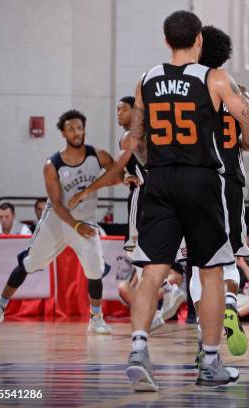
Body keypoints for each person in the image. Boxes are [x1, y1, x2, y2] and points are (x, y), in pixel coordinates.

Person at [114, 10, 249, 390]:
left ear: (165, 40)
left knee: (152, 273)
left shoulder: (146, 79)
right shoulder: (215, 77)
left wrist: (145, 162)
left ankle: (139, 350)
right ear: (199, 40)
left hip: (158, 181)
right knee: (210, 273)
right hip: (201, 181)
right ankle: (209, 362)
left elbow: (135, 139)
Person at [0, 110, 115, 335]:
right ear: (63, 132)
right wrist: (74, 225)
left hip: (86, 220)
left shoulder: (98, 156)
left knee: (94, 271)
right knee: (29, 263)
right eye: (72, 128)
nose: (77, 132)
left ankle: (96, 317)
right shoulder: (52, 164)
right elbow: (56, 203)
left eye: (80, 128)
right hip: (58, 220)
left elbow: (116, 174)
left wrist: (90, 190)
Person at [71, 96, 187, 330]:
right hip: (165, 197)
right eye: (116, 109)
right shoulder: (153, 133)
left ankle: (170, 289)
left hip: (143, 198)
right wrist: (125, 175)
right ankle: (156, 308)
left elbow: (114, 169)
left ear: (135, 112)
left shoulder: (130, 137)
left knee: (135, 252)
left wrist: (88, 190)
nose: (118, 113)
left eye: (122, 109)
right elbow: (123, 170)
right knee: (144, 256)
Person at [185, 24, 249, 360]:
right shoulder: (235, 92)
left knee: (199, 264)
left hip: (193, 180)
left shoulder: (187, 91)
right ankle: (229, 303)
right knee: (226, 257)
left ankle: (205, 337)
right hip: (230, 182)